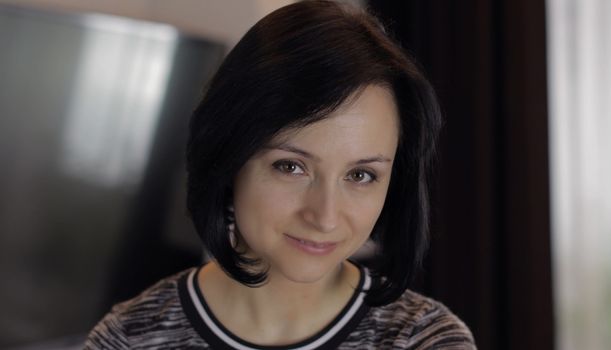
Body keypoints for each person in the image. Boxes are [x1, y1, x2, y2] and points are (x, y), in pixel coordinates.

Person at [85, 1, 476, 349]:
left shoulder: (424, 338)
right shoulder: (127, 338)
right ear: (229, 157)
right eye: (290, 167)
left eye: (360, 175)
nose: (325, 216)